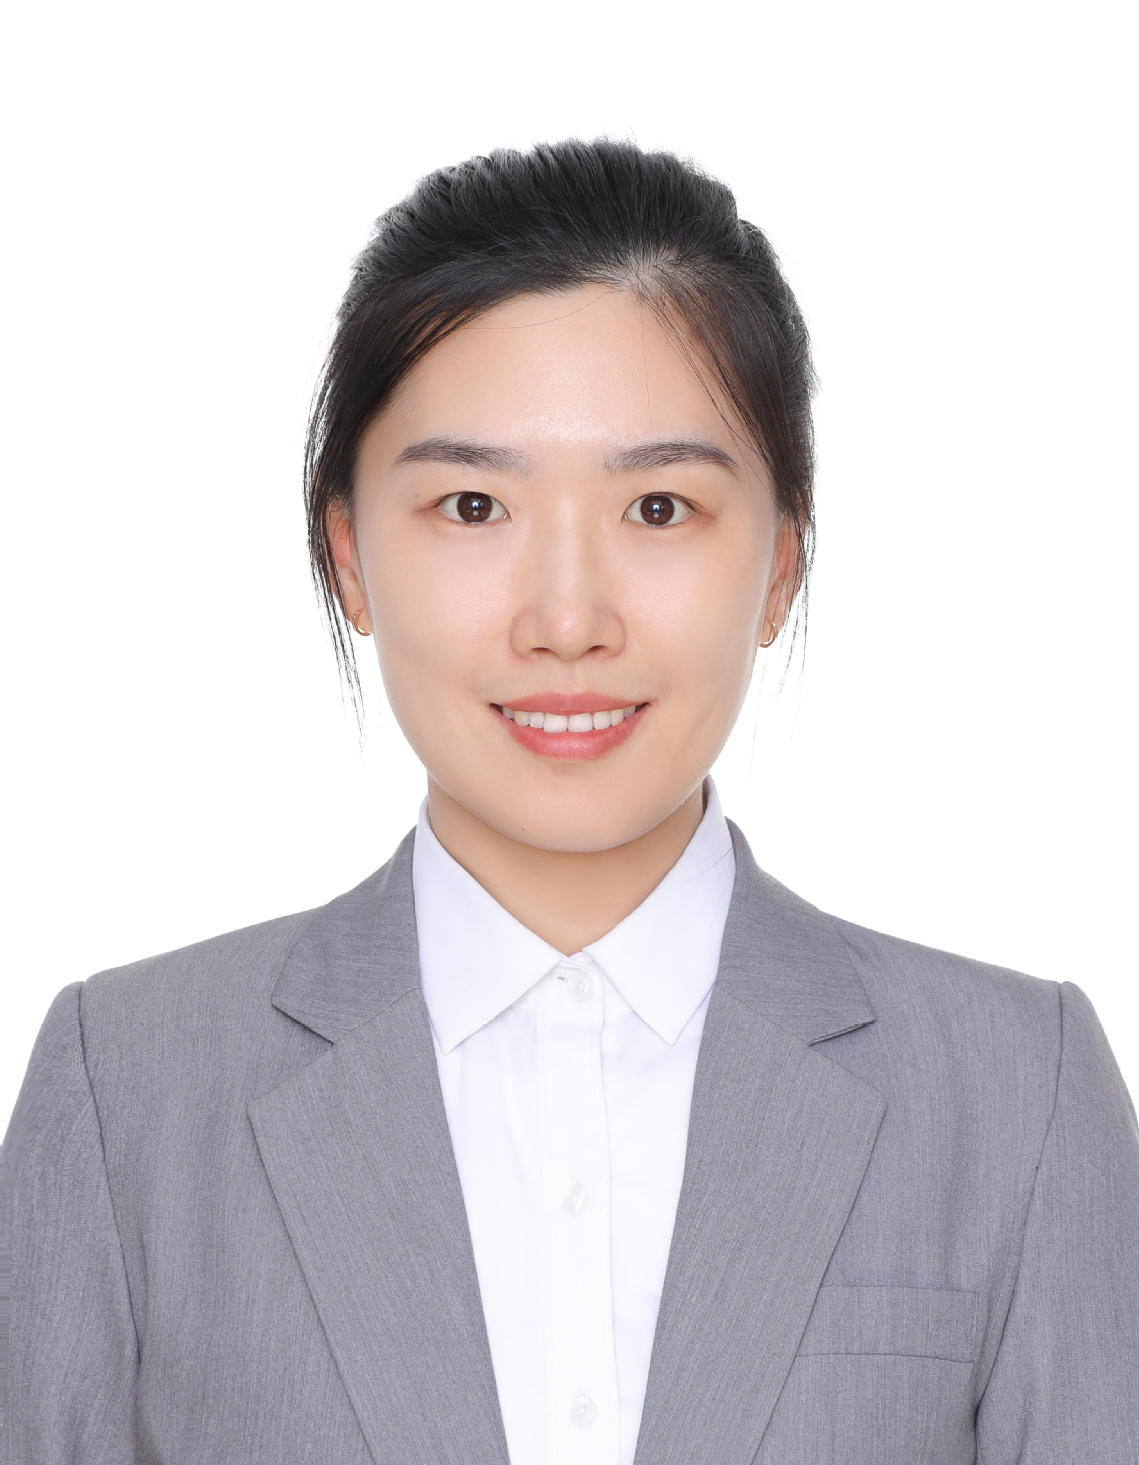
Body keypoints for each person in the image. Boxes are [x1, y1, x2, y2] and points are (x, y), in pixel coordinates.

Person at [2, 139, 1137, 1465]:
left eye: (658, 506)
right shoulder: (128, 1092)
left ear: (782, 561)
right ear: (349, 554)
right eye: (472, 504)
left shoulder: (1018, 1094)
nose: (566, 618)